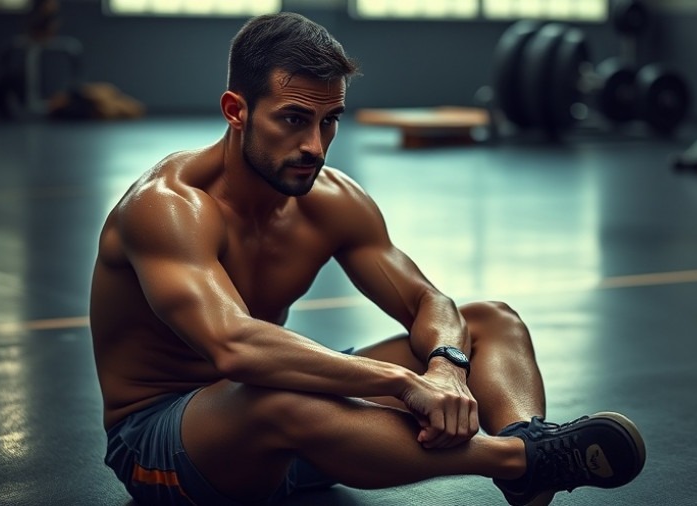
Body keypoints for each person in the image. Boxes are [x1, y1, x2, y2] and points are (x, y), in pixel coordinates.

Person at [90, 12, 646, 506]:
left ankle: (531, 468)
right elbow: (234, 345)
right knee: (273, 392)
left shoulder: (331, 200)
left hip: (294, 434)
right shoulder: (167, 208)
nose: (314, 145)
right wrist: (404, 384)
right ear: (236, 110)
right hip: (169, 445)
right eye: (293, 119)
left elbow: (428, 301)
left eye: (328, 120)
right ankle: (519, 461)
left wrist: (446, 368)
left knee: (488, 320)